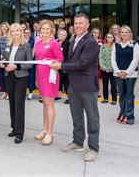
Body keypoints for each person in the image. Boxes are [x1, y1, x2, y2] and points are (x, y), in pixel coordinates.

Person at [50, 13, 100, 162]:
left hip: (87, 86)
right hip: (74, 85)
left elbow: (82, 64)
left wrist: (61, 66)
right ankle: (78, 142)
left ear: (87, 25)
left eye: (81, 23)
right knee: (76, 115)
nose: (77, 25)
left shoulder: (91, 42)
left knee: (92, 117)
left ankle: (93, 148)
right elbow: (71, 60)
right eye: (76, 23)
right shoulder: (73, 40)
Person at [1, 23, 33, 144]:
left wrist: (16, 66)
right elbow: (4, 58)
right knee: (12, 103)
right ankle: (14, 128)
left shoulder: (26, 46)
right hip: (9, 76)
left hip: (21, 77)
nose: (15, 33)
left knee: (19, 105)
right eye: (13, 31)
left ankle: (20, 133)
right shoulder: (8, 45)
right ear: (10, 33)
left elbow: (30, 64)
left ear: (21, 32)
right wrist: (2, 63)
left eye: (17, 31)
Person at [34, 20, 64, 146]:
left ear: (51, 30)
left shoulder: (54, 43)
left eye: (47, 28)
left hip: (50, 76)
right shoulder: (38, 43)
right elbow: (37, 60)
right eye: (43, 29)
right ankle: (44, 129)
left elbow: (60, 59)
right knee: (45, 104)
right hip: (40, 75)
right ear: (39, 30)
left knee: (49, 103)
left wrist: (50, 61)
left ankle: (50, 132)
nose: (45, 31)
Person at [111, 26, 139, 125]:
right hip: (118, 74)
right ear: (120, 34)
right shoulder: (116, 45)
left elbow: (135, 60)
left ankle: (129, 116)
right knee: (122, 94)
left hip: (131, 74)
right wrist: (118, 71)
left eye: (126, 32)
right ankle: (122, 114)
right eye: (122, 32)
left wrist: (126, 72)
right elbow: (113, 59)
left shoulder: (134, 44)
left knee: (129, 94)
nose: (124, 34)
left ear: (130, 33)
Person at [99, 33, 117, 105]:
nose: (109, 38)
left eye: (111, 37)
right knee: (105, 84)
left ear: (113, 38)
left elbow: (116, 58)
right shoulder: (102, 46)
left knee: (113, 85)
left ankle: (114, 99)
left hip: (112, 69)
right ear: (106, 38)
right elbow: (100, 57)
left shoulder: (115, 46)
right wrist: (103, 67)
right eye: (108, 37)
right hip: (104, 69)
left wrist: (110, 68)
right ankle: (105, 98)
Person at [57, 29, 70, 104]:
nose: (61, 36)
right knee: (58, 81)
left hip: (64, 65)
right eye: (60, 34)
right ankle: (58, 95)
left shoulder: (68, 43)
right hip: (56, 64)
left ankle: (69, 98)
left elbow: (69, 55)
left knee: (66, 82)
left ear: (65, 36)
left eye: (63, 35)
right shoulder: (55, 42)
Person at [0, 22, 10, 99]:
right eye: (2, 26)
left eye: (5, 26)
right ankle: (4, 92)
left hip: (7, 59)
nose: (4, 28)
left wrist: (5, 56)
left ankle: (9, 93)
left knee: (7, 76)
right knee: (1, 76)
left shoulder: (10, 37)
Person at [24, 28, 36, 100]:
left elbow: (33, 50)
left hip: (30, 61)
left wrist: (30, 59)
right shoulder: (21, 39)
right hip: (22, 62)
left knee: (31, 77)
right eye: (25, 32)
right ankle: (24, 92)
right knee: (23, 78)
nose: (27, 34)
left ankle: (30, 92)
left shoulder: (32, 40)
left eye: (28, 33)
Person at [91, 28, 104, 98]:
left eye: (97, 32)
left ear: (99, 34)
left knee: (100, 78)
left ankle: (100, 92)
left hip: (99, 61)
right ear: (92, 33)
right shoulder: (89, 41)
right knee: (92, 77)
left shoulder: (102, 41)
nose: (96, 34)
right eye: (94, 32)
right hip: (91, 61)